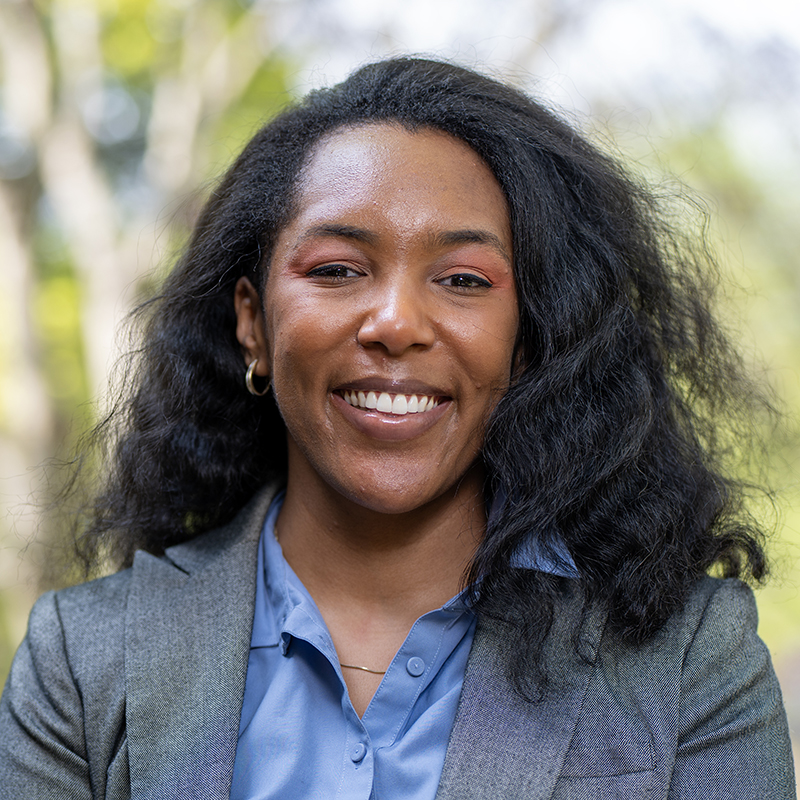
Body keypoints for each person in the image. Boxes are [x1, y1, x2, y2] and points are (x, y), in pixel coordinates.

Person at [0, 57, 794, 799]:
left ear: (528, 341)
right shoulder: (83, 662)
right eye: (338, 269)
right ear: (253, 326)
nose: (396, 322)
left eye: (462, 280)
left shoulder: (690, 660)